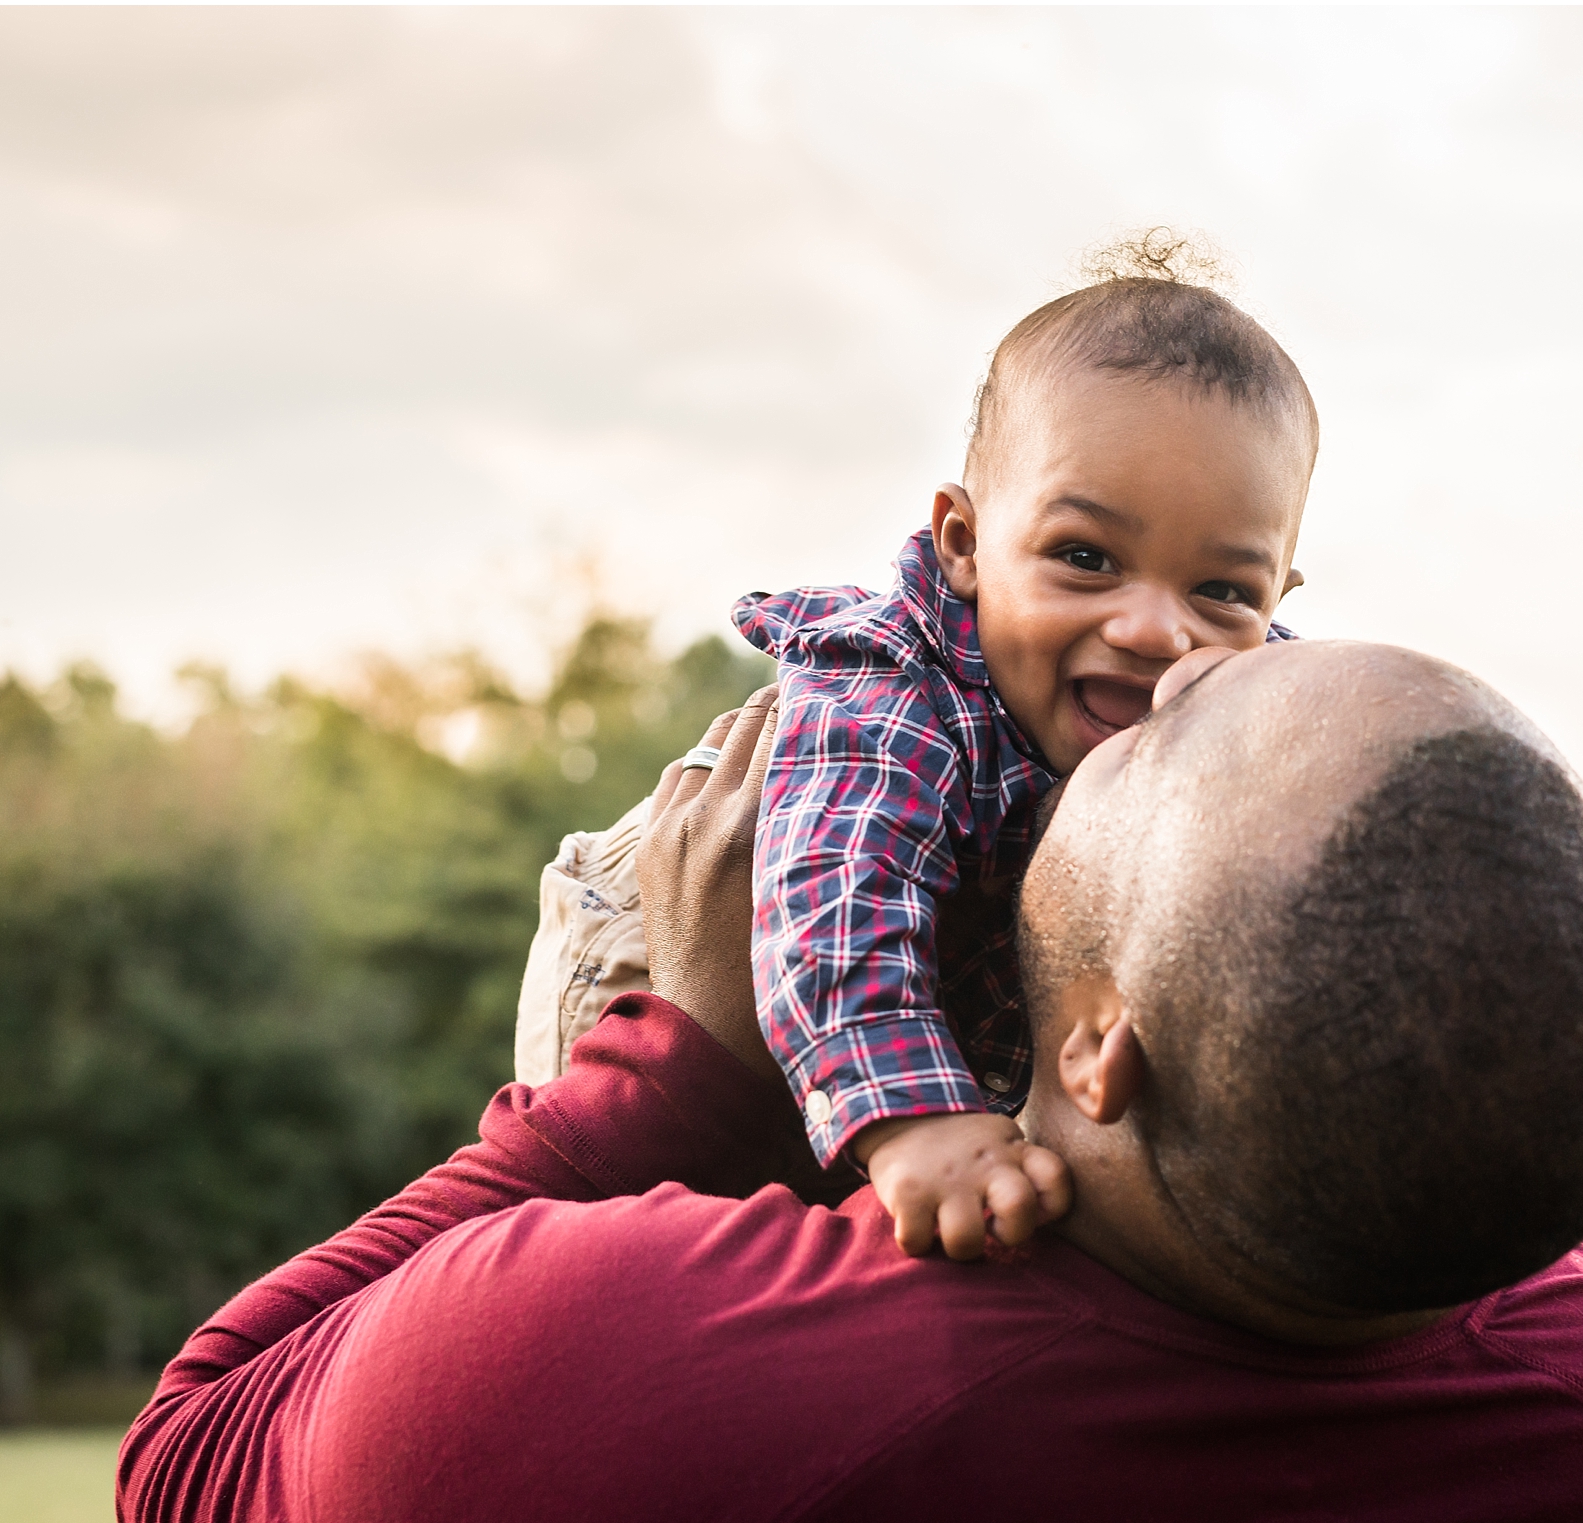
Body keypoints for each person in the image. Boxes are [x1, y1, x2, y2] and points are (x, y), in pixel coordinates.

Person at [118, 641, 1583, 1523]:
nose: (1175, 663)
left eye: (1171, 740)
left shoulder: (643, 1402)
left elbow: (194, 1464)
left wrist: (687, 1076)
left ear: (1100, 1046)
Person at [517, 234, 1311, 1257]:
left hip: (949, 990)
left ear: (1277, 599)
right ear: (964, 544)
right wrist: (914, 1121)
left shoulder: (1255, 696)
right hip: (685, 936)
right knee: (644, 1241)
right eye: (1084, 558)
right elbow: (840, 909)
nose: (1156, 630)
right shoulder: (892, 692)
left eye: (1221, 590)